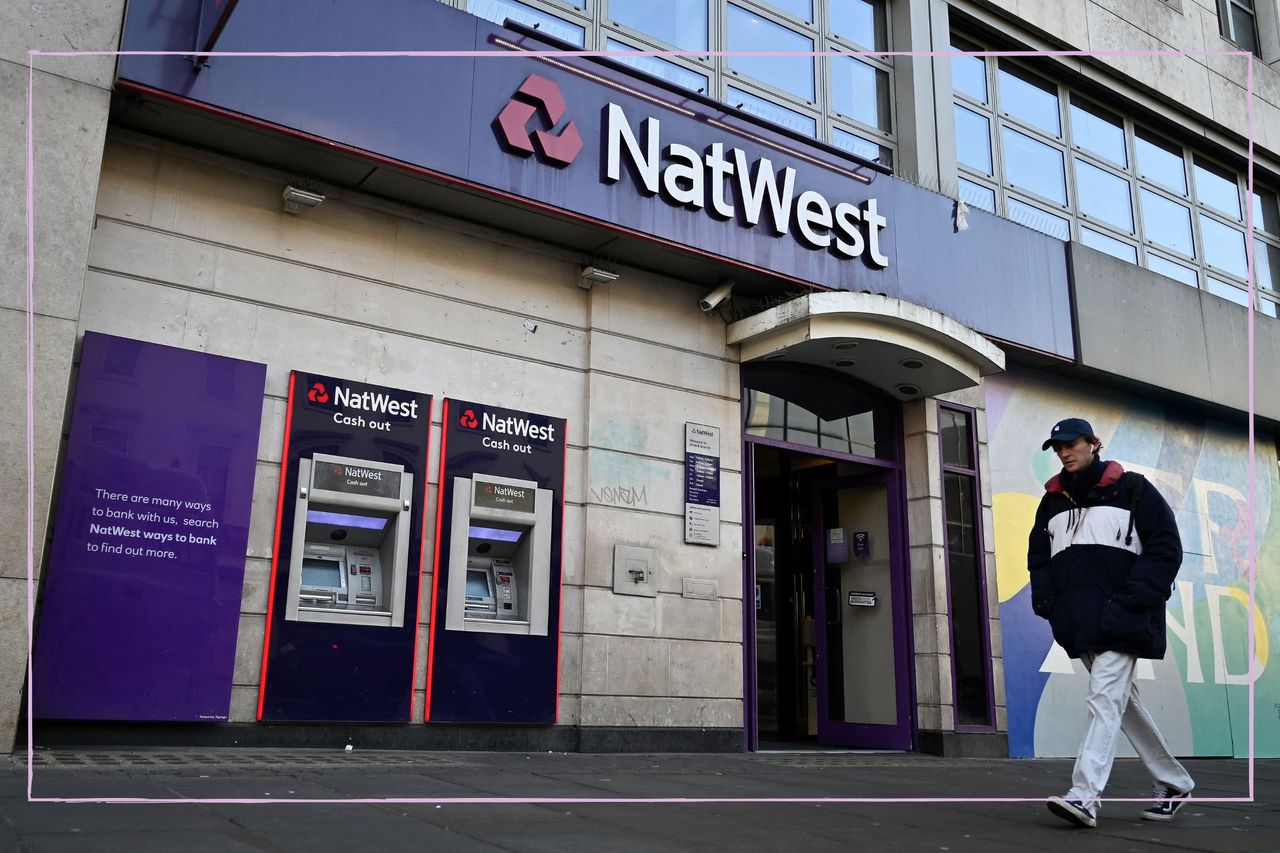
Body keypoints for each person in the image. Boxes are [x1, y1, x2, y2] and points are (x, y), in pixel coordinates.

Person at [1027, 417, 1194, 829]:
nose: (1066, 452)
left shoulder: (1133, 488)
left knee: (1103, 698)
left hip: (1125, 617)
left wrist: (1133, 599)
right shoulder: (1051, 502)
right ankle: (1174, 782)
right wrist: (1049, 603)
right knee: (1121, 704)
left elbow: (1166, 548)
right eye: (1058, 447)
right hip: (1079, 623)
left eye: (1073, 444)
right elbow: (1039, 559)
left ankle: (1084, 796)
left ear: (1093, 444)